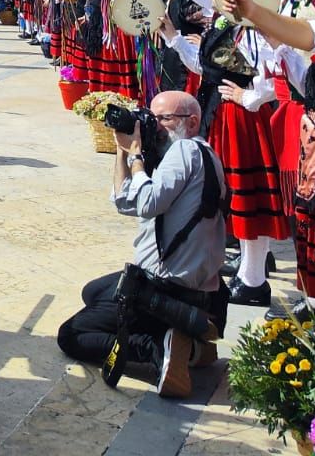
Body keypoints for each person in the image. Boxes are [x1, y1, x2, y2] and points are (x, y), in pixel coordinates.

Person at [56, 91, 229, 399]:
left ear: (192, 122)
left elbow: (147, 202)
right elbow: (125, 202)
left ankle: (159, 349)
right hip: (189, 286)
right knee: (93, 292)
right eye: (152, 115)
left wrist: (136, 156)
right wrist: (123, 151)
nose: (154, 124)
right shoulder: (193, 153)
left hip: (166, 288)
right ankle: (190, 343)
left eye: (164, 118)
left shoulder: (185, 151)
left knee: (71, 335)